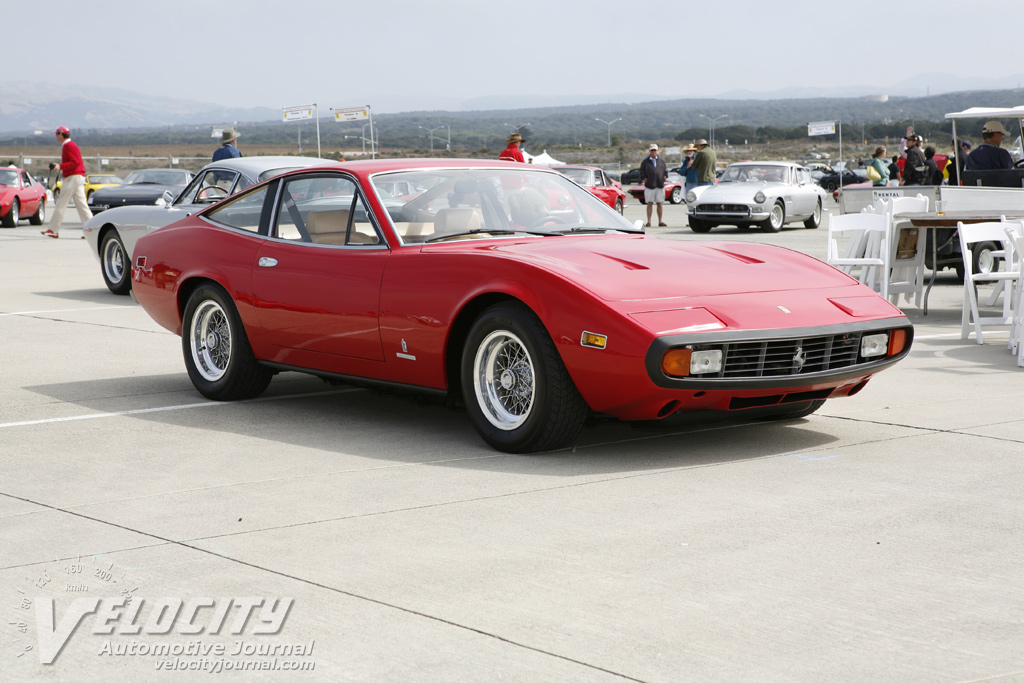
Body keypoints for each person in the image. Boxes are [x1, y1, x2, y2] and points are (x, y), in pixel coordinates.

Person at [41, 126, 92, 239]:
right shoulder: (69, 145)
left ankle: (53, 229)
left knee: (61, 203)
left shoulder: (68, 146)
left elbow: (75, 162)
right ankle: (91, 230)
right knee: (82, 205)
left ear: (61, 134)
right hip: (77, 176)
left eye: (57, 134)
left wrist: (60, 166)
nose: (56, 136)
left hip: (73, 177)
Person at [638, 144, 668, 227]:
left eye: (655, 150)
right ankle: (649, 221)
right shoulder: (645, 162)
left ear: (657, 151)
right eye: (652, 150)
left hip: (660, 185)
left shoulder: (661, 161)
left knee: (659, 203)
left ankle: (660, 221)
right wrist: (645, 179)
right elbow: (641, 172)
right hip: (649, 186)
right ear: (649, 151)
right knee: (649, 203)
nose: (653, 152)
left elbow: (665, 171)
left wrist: (663, 178)